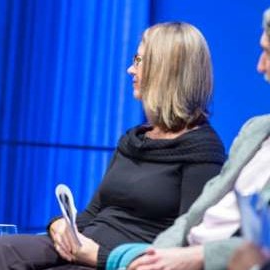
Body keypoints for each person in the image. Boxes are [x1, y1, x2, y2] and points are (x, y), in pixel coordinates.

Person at [0, 22, 225, 270]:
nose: (130, 70)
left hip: (122, 260)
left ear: (165, 70)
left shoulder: (202, 150)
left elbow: (188, 248)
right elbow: (93, 212)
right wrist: (58, 226)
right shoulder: (135, 139)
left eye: (139, 60)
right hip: (83, 245)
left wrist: (98, 257)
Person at [107, 7, 270, 270]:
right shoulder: (256, 131)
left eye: (267, 52)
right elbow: (192, 218)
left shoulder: (202, 147)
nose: (260, 66)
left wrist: (196, 257)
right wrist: (157, 255)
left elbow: (262, 246)